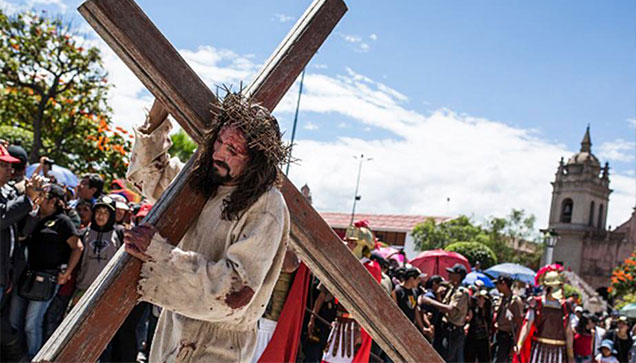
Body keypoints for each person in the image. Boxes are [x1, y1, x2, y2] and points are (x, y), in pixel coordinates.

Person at [123, 94, 290, 362]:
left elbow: (236, 290)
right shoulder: (203, 185)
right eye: (220, 143)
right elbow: (147, 174)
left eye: (233, 150)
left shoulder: (266, 205)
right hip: (174, 329)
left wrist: (158, 252)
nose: (220, 153)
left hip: (219, 344)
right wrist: (159, 110)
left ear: (256, 160)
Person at [9, 184, 83, 359]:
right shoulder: (33, 218)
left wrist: (67, 272)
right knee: (14, 320)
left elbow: (77, 247)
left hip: (47, 279)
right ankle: (17, 355)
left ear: (54, 201)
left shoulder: (62, 221)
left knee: (31, 323)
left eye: (44, 196)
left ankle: (35, 356)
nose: (40, 198)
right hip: (26, 276)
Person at [313, 221, 381, 363]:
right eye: (347, 241)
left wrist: (360, 330)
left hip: (356, 325)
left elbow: (371, 302)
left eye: (351, 242)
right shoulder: (346, 264)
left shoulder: (371, 268)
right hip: (340, 321)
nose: (347, 245)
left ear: (361, 245)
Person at [1, 145, 44, 302]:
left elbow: (22, 232)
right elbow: (2, 218)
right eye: (3, 165)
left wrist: (34, 202)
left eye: (10, 165)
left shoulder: (8, 192)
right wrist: (27, 199)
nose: (10, 170)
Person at [515, 266, 574, 363]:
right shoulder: (537, 304)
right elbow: (527, 325)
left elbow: (568, 331)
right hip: (539, 349)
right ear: (548, 287)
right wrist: (520, 344)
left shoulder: (565, 307)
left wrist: (570, 355)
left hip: (559, 351)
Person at [72, 196, 123, 305]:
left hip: (106, 290)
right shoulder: (84, 233)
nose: (101, 216)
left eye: (106, 213)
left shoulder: (119, 234)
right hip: (83, 286)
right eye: (98, 211)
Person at [419, 263, 470, 362]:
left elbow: (450, 309)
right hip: (446, 327)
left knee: (447, 357)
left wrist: (430, 302)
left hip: (453, 330)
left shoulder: (461, 292)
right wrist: (438, 296)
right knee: (440, 354)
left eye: (452, 273)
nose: (449, 275)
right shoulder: (452, 288)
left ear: (458, 276)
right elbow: (444, 306)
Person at [493, 274, 524, 362]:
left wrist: (515, 344)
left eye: (498, 284)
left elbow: (519, 324)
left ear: (504, 284)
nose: (497, 287)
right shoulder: (502, 298)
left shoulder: (515, 301)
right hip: (498, 335)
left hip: (506, 338)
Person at [392, 267, 427, 333]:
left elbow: (415, 309)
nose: (419, 281)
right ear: (411, 278)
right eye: (418, 278)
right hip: (399, 328)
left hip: (410, 328)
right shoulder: (397, 291)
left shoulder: (415, 291)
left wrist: (422, 327)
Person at [464, 289, 492, 363]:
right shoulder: (473, 309)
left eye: (481, 298)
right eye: (478, 298)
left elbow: (488, 322)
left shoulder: (487, 310)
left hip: (483, 339)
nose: (479, 300)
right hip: (472, 337)